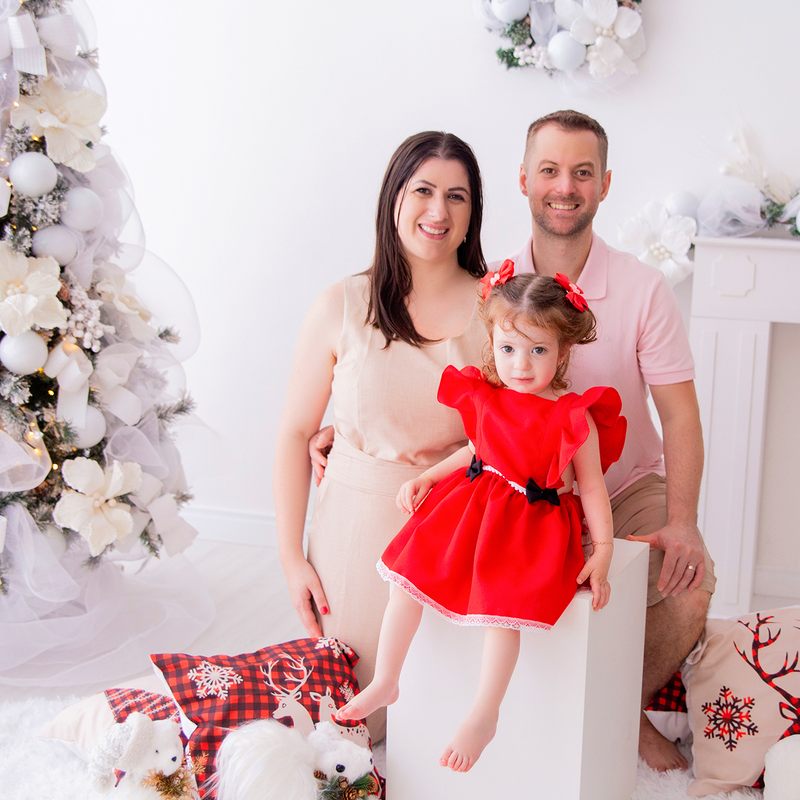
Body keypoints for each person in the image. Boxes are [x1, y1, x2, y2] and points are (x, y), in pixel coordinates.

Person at [337, 268, 626, 772]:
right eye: (509, 348)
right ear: (492, 342)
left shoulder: (570, 413)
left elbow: (593, 485)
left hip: (527, 521)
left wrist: (602, 550)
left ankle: (484, 713)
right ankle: (386, 677)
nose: (521, 364)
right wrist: (428, 476)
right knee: (406, 581)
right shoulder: (488, 394)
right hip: (471, 500)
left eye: (538, 350)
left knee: (500, 611)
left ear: (563, 352)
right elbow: (477, 448)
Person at [510, 109, 715, 771]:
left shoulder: (642, 289)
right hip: (525, 494)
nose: (564, 186)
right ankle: (548, 711)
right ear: (523, 180)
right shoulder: (493, 280)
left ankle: (616, 711)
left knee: (689, 581)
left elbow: (680, 417)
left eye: (581, 172)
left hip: (624, 486)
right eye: (549, 169)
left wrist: (682, 521)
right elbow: (449, 388)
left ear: (604, 184)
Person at [274, 131, 488, 743]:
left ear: (474, 214)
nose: (438, 211)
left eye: (457, 196)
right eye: (422, 190)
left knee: (437, 733)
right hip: (354, 535)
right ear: (393, 197)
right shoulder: (342, 303)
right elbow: (293, 433)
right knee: (344, 732)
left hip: (456, 535)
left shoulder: (498, 308)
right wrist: (292, 558)